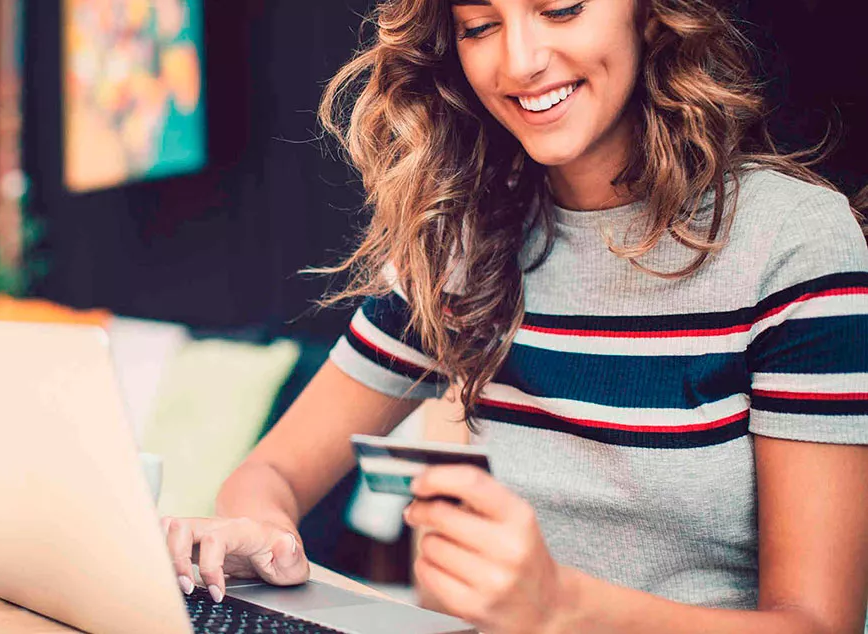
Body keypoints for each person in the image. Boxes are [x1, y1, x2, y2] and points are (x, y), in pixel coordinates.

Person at [161, 0, 868, 631]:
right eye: (480, 25)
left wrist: (560, 607)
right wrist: (264, 534)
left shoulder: (794, 242)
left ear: (650, 14)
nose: (521, 62)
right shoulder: (463, 244)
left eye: (560, 10)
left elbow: (816, 622)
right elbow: (272, 472)